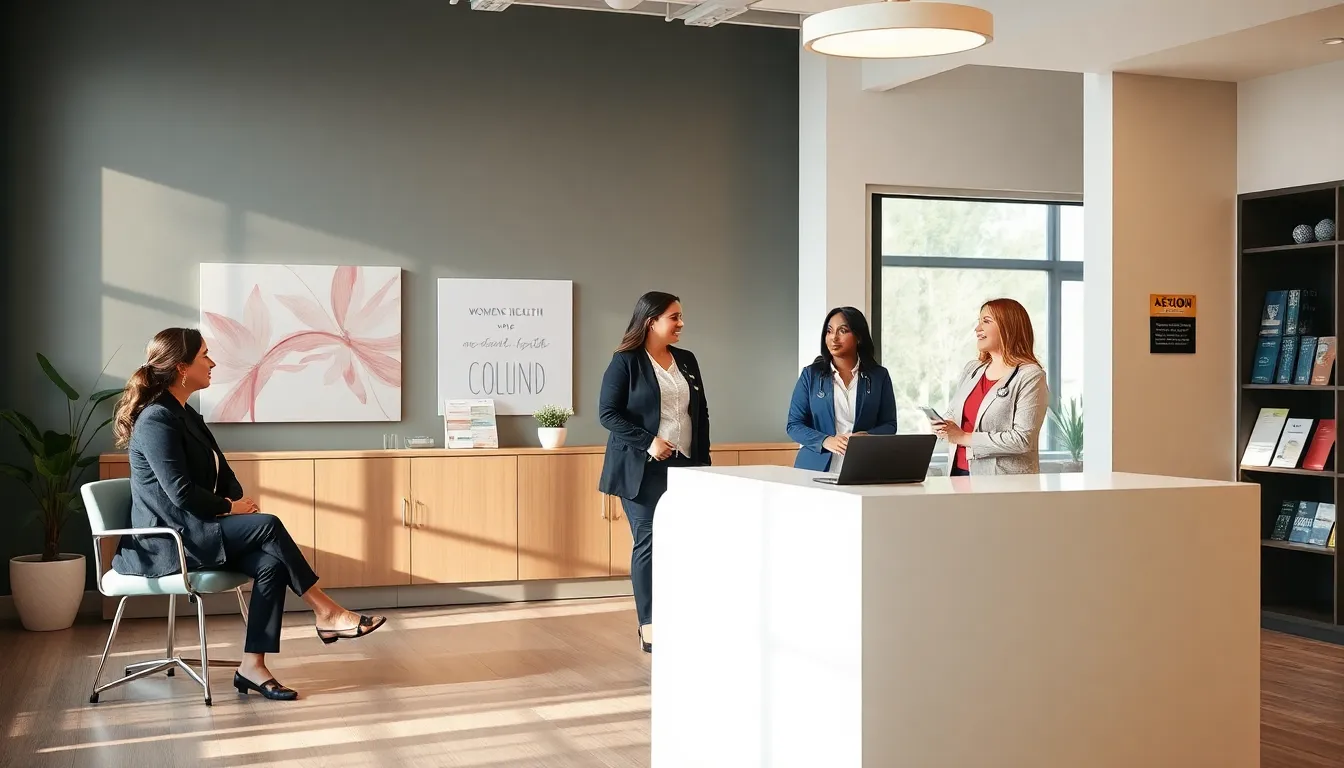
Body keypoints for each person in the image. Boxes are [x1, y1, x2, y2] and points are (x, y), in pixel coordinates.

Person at [110, 328, 386, 701]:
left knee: (270, 565)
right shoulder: (157, 420)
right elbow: (180, 493)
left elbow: (224, 476)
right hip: (166, 543)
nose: (212, 363)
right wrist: (230, 508)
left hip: (196, 530)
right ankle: (327, 611)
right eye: (205, 355)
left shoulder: (187, 415)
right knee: (268, 525)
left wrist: (237, 502)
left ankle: (252, 667)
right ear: (181, 366)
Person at [597, 292, 711, 654]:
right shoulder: (625, 362)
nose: (680, 324)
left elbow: (701, 414)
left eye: (680, 317)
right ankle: (649, 623)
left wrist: (703, 464)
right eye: (674, 317)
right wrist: (649, 442)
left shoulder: (686, 360)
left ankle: (681, 617)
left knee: (681, 544)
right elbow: (608, 415)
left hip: (685, 466)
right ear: (651, 322)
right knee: (649, 542)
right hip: (642, 469)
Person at [932, 298, 1049, 476]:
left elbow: (1022, 439)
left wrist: (963, 437)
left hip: (1004, 481)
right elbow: (955, 415)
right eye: (978, 322)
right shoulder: (973, 369)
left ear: (1008, 326)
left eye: (986, 322)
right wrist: (943, 425)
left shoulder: (1030, 376)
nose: (977, 329)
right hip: (959, 473)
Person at [787, 307, 897, 472]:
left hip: (865, 468)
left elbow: (890, 425)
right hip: (815, 470)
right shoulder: (811, 375)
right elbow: (794, 426)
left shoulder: (879, 376)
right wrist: (825, 440)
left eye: (842, 331)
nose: (834, 338)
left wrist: (868, 437)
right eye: (829, 331)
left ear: (858, 337)